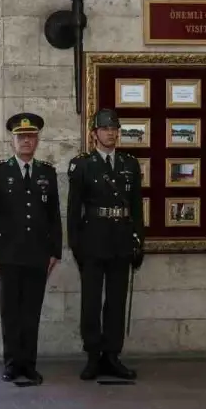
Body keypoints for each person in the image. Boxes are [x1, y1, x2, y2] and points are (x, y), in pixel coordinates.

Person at [0, 113, 62, 386]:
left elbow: (54, 216)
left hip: (38, 255)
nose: (26, 141)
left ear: (37, 140)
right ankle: (12, 364)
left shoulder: (46, 172)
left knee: (31, 312)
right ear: (12, 140)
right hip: (7, 255)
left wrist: (55, 251)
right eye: (21, 137)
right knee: (10, 312)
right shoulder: (0, 172)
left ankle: (29, 365)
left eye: (31, 136)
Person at [67, 108, 144, 382]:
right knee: (91, 302)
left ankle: (112, 355)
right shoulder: (83, 165)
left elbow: (136, 206)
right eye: (105, 129)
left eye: (114, 129)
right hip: (93, 241)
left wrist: (139, 241)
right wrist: (75, 245)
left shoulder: (129, 164)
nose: (111, 133)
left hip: (121, 241)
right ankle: (92, 356)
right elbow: (74, 209)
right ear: (94, 133)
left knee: (116, 301)